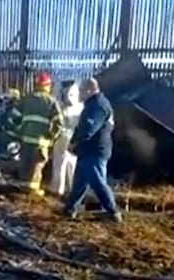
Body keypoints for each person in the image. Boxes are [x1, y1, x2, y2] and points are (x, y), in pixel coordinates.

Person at [63, 78, 122, 222]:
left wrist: (74, 142)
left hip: (94, 150)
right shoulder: (94, 104)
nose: (79, 95)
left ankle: (112, 211)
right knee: (80, 181)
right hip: (89, 150)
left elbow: (88, 129)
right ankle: (70, 208)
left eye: (81, 91)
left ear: (89, 90)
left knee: (97, 182)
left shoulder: (97, 106)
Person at [16, 72, 64, 202]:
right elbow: (59, 123)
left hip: (25, 139)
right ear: (47, 86)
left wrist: (18, 133)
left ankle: (23, 188)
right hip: (41, 141)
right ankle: (33, 191)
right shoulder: (51, 101)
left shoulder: (26, 99)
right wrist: (52, 137)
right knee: (37, 165)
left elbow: (14, 117)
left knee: (25, 164)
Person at [50, 82, 84, 196]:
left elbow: (56, 121)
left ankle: (57, 190)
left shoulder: (61, 104)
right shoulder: (80, 105)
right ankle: (72, 189)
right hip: (75, 136)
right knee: (72, 164)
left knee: (60, 164)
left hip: (63, 136)